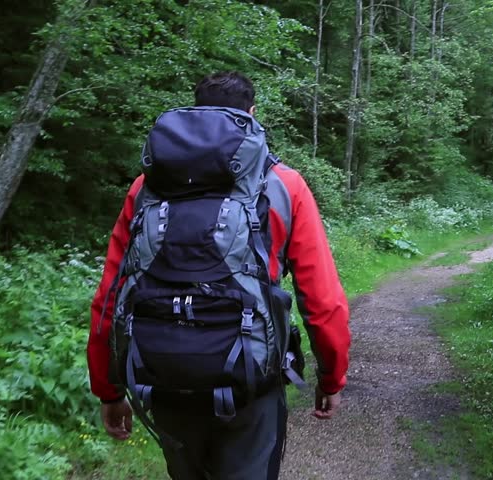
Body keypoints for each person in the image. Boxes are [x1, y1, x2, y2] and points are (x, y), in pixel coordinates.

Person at [87, 71, 350, 479]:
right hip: (251, 382)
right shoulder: (283, 185)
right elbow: (322, 300)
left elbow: (110, 296)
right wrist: (331, 377)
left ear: (196, 112)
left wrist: (109, 388)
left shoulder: (146, 188)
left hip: (162, 374)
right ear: (252, 113)